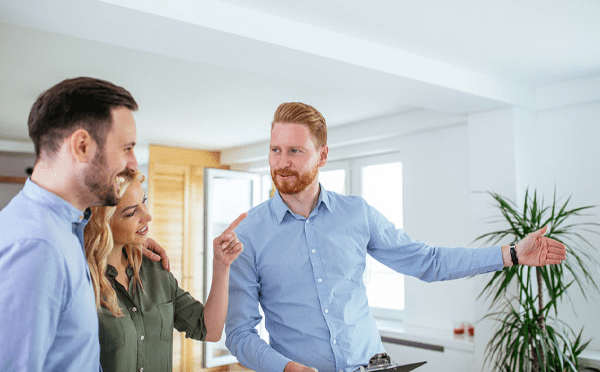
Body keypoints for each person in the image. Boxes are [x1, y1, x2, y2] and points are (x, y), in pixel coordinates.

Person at [225, 102, 567, 372]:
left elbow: (428, 261)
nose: (282, 163)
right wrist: (286, 368)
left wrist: (512, 254)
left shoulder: (356, 214)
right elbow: (239, 334)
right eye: (275, 150)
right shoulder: (249, 233)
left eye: (295, 151)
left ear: (322, 155)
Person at [0, 77, 168, 371]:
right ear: (81, 146)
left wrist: (128, 242)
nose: (132, 163)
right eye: (126, 148)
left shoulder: (63, 229)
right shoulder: (38, 248)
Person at [84, 169, 245, 372]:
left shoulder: (154, 268)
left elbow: (210, 330)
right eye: (132, 212)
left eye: (144, 201)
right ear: (103, 224)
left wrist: (221, 266)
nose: (148, 216)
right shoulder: (82, 282)